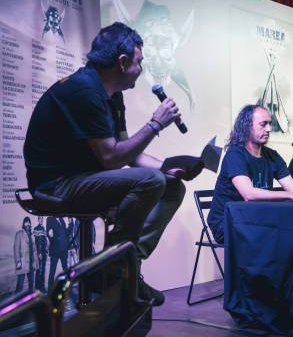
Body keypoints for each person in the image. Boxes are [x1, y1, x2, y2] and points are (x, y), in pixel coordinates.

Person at [23, 22, 204, 306]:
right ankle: (111, 268)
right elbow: (110, 159)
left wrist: (167, 168)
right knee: (151, 182)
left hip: (83, 178)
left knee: (170, 187)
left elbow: (127, 153)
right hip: (55, 186)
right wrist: (155, 124)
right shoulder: (85, 91)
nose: (141, 69)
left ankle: (126, 266)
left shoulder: (112, 96)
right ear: (122, 62)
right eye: (139, 62)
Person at [207, 105, 293, 243]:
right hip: (227, 223)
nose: (269, 129)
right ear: (247, 126)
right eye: (263, 124)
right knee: (280, 237)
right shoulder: (235, 155)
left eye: (270, 124)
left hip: (256, 219)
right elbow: (249, 194)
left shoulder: (272, 156)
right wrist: (292, 196)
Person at [14, 217, 38, 294]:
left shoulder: (32, 235)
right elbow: (16, 249)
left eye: (29, 223)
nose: (28, 224)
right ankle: (16, 303)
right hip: (22, 263)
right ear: (23, 224)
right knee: (20, 285)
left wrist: (36, 262)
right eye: (26, 222)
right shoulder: (19, 234)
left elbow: (34, 250)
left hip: (31, 263)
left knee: (31, 285)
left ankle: (30, 301)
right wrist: (18, 261)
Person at [46, 216, 69, 291]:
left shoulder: (62, 220)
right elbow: (48, 231)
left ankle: (67, 288)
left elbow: (66, 233)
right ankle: (50, 290)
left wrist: (71, 225)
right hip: (55, 251)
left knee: (66, 270)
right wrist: (49, 233)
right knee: (52, 271)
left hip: (63, 251)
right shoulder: (50, 219)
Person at [32, 216, 48, 291]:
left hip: (44, 253)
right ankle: (37, 288)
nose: (41, 220)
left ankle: (41, 287)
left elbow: (45, 242)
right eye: (40, 219)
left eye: (42, 219)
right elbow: (37, 242)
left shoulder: (43, 229)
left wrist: (46, 251)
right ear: (38, 220)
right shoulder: (36, 229)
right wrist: (39, 253)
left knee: (43, 270)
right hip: (40, 253)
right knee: (39, 270)